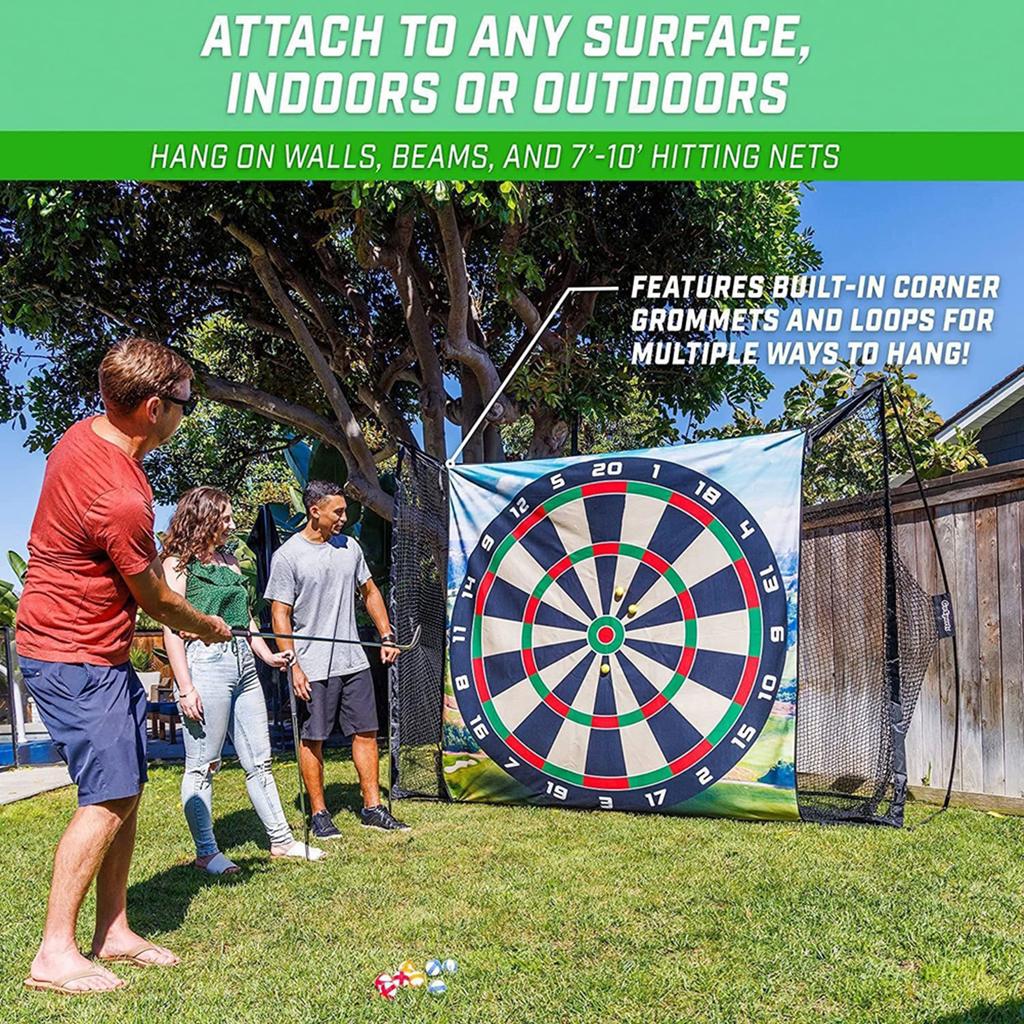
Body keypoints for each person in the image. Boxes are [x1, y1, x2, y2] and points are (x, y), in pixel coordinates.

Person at [16, 338, 233, 995]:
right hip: (72, 653)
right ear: (149, 408)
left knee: (127, 786)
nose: (187, 412)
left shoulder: (87, 435)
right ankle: (55, 952)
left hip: (94, 651)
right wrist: (206, 625)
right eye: (184, 402)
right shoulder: (120, 495)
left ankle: (112, 929)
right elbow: (156, 598)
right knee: (108, 794)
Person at [161, 486, 326, 873]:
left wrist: (268, 655)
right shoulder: (177, 565)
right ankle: (207, 853)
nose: (233, 523)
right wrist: (185, 688)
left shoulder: (230, 561)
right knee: (203, 765)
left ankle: (282, 841)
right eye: (226, 516)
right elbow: (170, 628)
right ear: (205, 517)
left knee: (260, 761)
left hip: (243, 667)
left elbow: (245, 619)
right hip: (204, 663)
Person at [265, 479, 409, 839]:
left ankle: (373, 807)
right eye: (338, 511)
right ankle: (319, 813)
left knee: (366, 732)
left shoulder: (350, 548)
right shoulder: (288, 556)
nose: (344, 517)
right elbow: (279, 614)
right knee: (314, 737)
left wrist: (386, 634)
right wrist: (292, 663)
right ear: (315, 511)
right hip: (311, 664)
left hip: (354, 660)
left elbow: (370, 592)